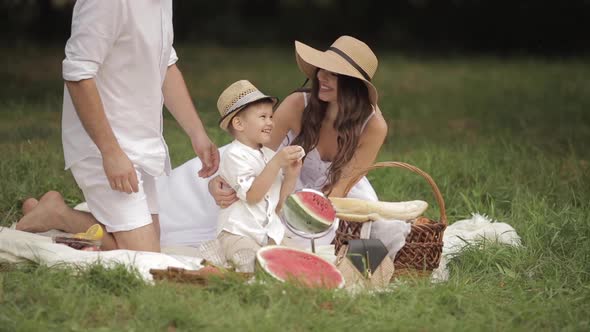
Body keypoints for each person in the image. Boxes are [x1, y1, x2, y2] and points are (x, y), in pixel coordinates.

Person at [15, 0, 219, 252]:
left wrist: (197, 133)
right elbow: (78, 74)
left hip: (142, 142)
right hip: (101, 145)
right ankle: (60, 215)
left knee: (152, 239)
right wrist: (111, 153)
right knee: (145, 256)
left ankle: (51, 212)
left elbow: (166, 64)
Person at [158, 35, 388, 249]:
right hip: (279, 173)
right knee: (215, 205)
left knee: (385, 229)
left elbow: (342, 187)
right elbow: (256, 150)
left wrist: (310, 212)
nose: (320, 77)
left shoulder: (374, 126)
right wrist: (222, 180)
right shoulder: (299, 104)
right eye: (321, 70)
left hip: (338, 189)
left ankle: (350, 264)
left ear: (353, 85)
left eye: (333, 74)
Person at [212, 80, 304, 271]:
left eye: (271, 116)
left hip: (269, 233)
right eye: (263, 116)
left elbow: (279, 204)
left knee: (297, 264)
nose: (270, 122)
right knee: (253, 265)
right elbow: (253, 196)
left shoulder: (269, 156)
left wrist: (292, 175)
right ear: (238, 123)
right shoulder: (234, 156)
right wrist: (277, 163)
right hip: (238, 233)